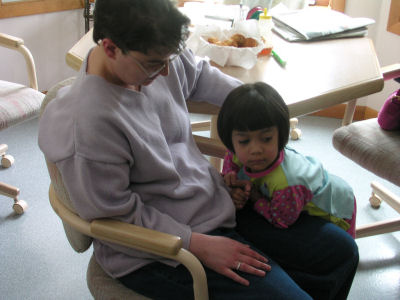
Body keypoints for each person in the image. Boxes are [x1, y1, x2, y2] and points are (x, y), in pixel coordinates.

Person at [38, 0, 358, 299]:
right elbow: (114, 219)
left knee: (341, 253)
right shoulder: (87, 125)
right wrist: (197, 245)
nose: (166, 73)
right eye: (154, 64)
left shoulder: (156, 57)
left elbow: (197, 75)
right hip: (155, 252)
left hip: (213, 206)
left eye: (170, 59)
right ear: (110, 47)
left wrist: (259, 104)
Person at [217, 82, 357, 238]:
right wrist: (231, 177)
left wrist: (255, 197)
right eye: (244, 141)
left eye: (266, 139)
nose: (256, 149)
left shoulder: (288, 183)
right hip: (305, 193)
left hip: (338, 207)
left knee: (340, 252)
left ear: (281, 136)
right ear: (231, 141)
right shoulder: (236, 153)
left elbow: (280, 220)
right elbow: (231, 160)